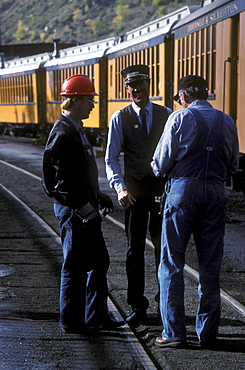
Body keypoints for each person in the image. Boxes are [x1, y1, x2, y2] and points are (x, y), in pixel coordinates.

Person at [151, 75, 239, 348]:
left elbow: (160, 163)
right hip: (215, 192)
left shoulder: (178, 119)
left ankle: (174, 333)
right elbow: (233, 164)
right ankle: (208, 333)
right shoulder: (226, 121)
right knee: (210, 265)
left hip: (182, 193)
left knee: (171, 264)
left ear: (183, 96)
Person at [42, 74, 123, 334]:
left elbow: (81, 174)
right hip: (75, 213)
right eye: (90, 101)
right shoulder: (63, 133)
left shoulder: (77, 129)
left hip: (86, 210)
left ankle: (96, 315)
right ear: (75, 101)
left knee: (99, 261)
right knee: (75, 266)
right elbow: (56, 182)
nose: (92, 106)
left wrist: (98, 196)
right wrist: (82, 207)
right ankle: (72, 321)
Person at [105, 65, 172, 326]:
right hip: (132, 193)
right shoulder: (119, 118)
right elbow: (111, 158)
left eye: (141, 85)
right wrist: (119, 188)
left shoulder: (166, 115)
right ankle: (137, 305)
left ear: (149, 85)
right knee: (134, 250)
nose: (137, 90)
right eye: (132, 86)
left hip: (159, 193)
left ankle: (163, 303)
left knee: (162, 249)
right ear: (126, 89)